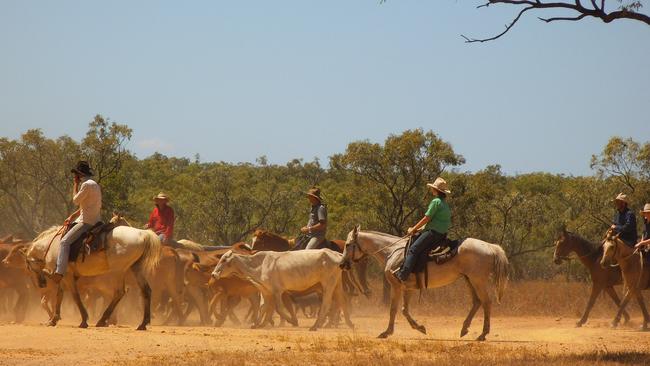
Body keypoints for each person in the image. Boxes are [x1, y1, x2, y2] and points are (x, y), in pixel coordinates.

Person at [49, 161, 102, 284]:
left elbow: (75, 200)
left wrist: (75, 185)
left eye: (76, 175)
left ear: (79, 175)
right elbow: (86, 206)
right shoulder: (96, 185)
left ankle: (59, 272)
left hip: (86, 222)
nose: (75, 177)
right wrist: (72, 216)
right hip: (97, 220)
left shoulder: (85, 185)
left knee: (64, 241)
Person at [395, 177, 451, 282]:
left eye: (433, 188)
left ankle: (402, 275)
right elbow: (435, 221)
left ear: (436, 190)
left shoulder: (436, 202)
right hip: (441, 235)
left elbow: (427, 218)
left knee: (413, 249)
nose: (431, 190)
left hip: (432, 233)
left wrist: (413, 229)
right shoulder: (445, 204)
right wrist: (419, 229)